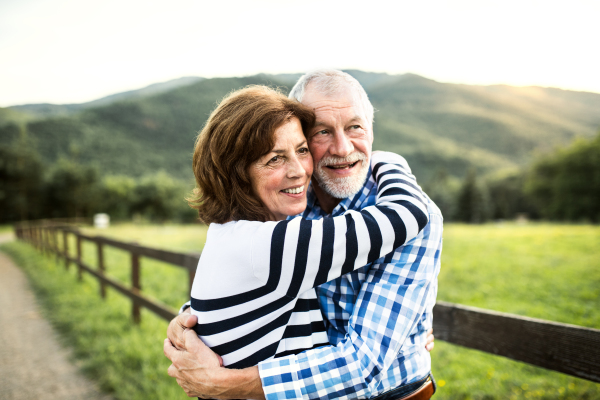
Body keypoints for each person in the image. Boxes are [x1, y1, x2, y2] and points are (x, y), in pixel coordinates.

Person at [165, 71, 443, 399]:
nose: (343, 147)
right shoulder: (288, 200)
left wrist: (226, 384)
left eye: (355, 127)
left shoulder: (415, 216)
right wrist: (191, 321)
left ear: (371, 131)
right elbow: (250, 276)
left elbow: (363, 365)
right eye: (323, 132)